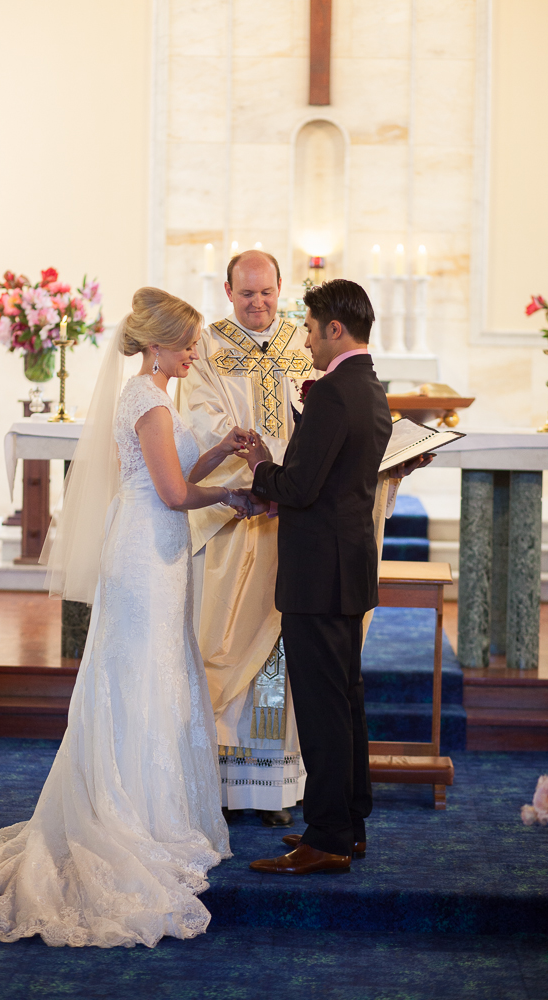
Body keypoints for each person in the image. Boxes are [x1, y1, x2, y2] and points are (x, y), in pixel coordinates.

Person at [0, 288, 252, 947]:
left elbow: (168, 472)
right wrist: (232, 491)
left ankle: (145, 801)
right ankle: (131, 813)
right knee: (140, 679)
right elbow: (173, 494)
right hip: (146, 555)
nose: (192, 353)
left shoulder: (147, 395)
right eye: (186, 344)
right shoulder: (147, 400)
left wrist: (216, 453)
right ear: (157, 345)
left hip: (155, 548)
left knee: (153, 674)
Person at [240, 279, 394, 874]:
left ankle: (327, 837)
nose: (304, 340)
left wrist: (260, 467)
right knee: (345, 696)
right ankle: (349, 822)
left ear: (334, 328)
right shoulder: (370, 386)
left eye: (308, 328)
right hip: (348, 564)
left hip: (318, 573)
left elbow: (300, 488)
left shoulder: (332, 393)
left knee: (323, 704)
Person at [175, 249, 312, 827]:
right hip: (238, 526)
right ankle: (224, 785)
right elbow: (203, 423)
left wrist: (294, 484)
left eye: (267, 292)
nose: (258, 303)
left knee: (279, 652)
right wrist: (255, 484)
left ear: (282, 289)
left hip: (294, 524)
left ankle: (273, 786)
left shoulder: (305, 344)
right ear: (227, 291)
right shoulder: (206, 346)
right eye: (246, 293)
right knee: (224, 644)